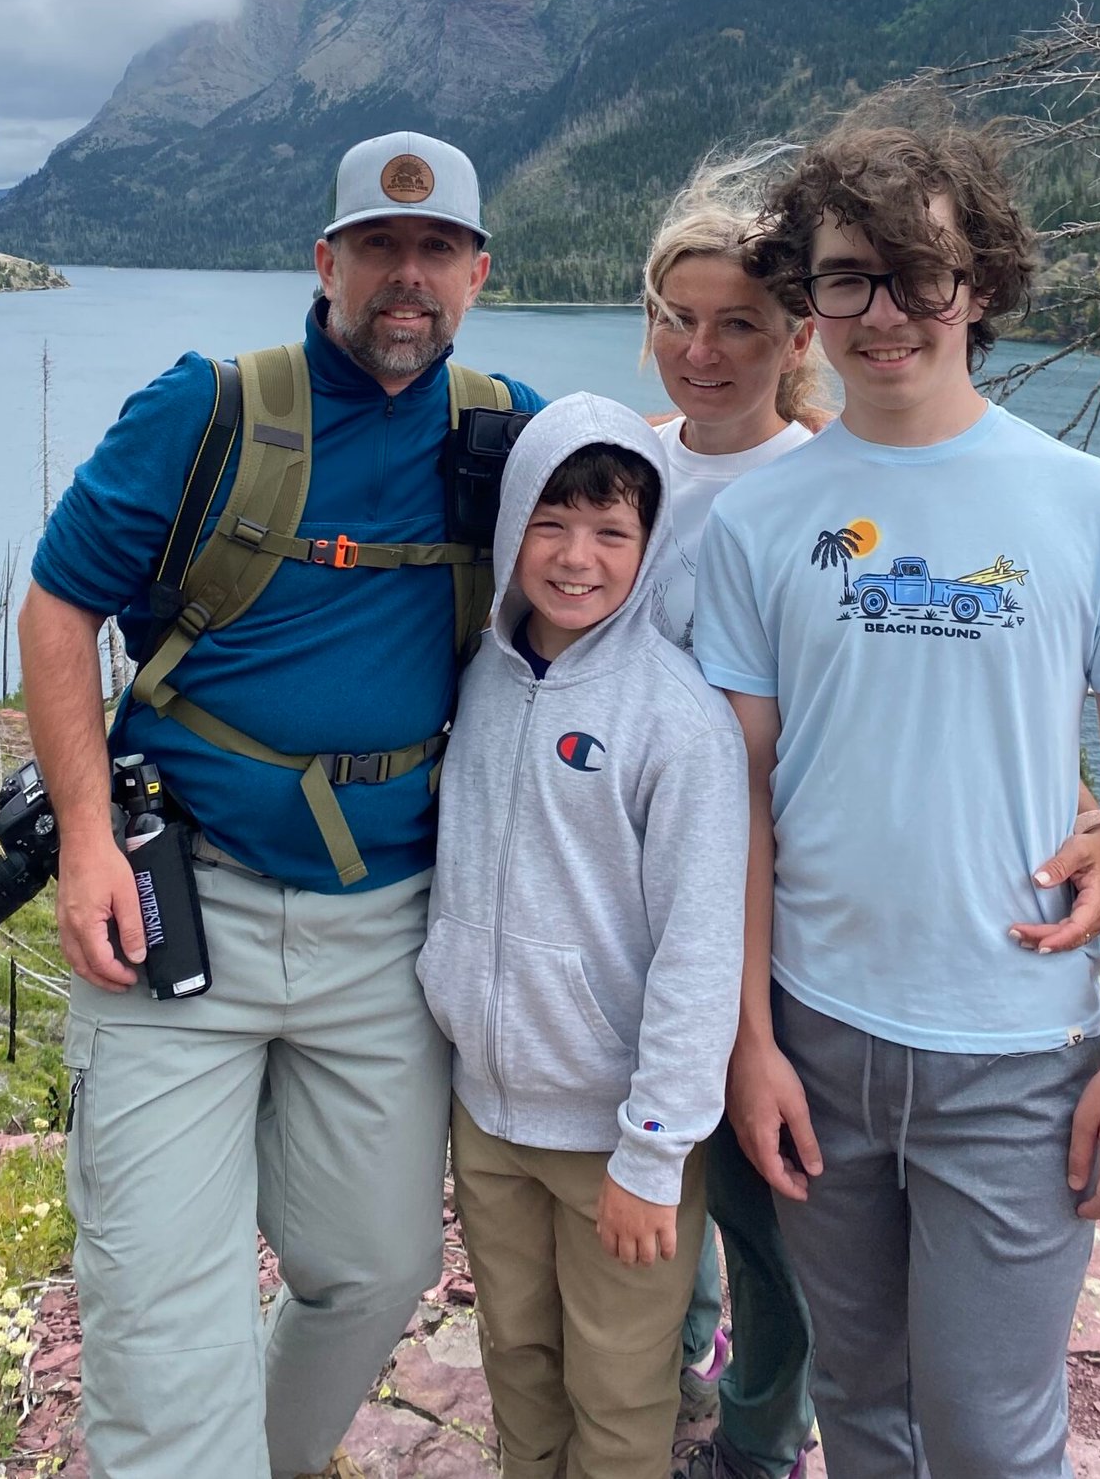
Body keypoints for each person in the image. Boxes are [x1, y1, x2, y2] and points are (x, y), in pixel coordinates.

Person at [17, 131, 542, 1479]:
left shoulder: (510, 435)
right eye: (378, 248)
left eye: (436, 253)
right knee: (158, 1312)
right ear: (326, 263)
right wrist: (84, 835)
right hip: (177, 915)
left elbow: (671, 544)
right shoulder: (206, 410)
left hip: (388, 930)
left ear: (479, 272)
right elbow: (61, 602)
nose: (405, 280)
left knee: (371, 1272)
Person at [695, 106, 1100, 1479]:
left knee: (990, 1434)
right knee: (863, 1404)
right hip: (819, 1041)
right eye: (847, 277)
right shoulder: (756, 520)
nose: (886, 314)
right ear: (809, 298)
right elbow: (737, 799)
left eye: (920, 275)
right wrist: (749, 1042)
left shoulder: (1089, 505)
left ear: (979, 285)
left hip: (1015, 1058)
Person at [418, 396, 749, 1479]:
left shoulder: (675, 720)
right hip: (489, 1113)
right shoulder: (476, 674)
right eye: (550, 521)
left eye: (611, 532)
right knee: (516, 1357)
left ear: (648, 547)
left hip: (615, 1134)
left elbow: (701, 950)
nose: (575, 558)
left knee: (618, 1390)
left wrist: (654, 1153)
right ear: (513, 519)